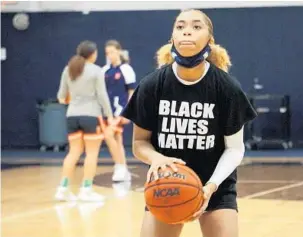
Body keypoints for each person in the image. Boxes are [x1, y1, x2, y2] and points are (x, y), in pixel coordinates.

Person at [121, 9, 257, 237]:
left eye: (196, 27)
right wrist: (156, 158)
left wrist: (211, 186)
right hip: (167, 185)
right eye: (180, 26)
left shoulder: (226, 88)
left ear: (209, 40)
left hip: (216, 185)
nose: (187, 32)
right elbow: (139, 143)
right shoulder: (152, 85)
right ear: (172, 37)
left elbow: (235, 149)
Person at [55, 40, 114, 202]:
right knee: (92, 153)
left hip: (72, 115)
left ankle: (62, 188)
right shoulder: (96, 70)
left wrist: (74, 99)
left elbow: (61, 97)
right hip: (91, 115)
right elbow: (102, 95)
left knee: (73, 152)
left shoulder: (68, 69)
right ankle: (86, 189)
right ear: (93, 54)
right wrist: (109, 115)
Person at [102, 40, 136, 181]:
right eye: (107, 53)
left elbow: (132, 91)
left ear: (119, 51)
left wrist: (129, 111)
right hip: (108, 112)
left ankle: (120, 166)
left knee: (108, 135)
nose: (110, 55)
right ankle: (123, 169)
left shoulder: (126, 69)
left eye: (112, 52)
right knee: (117, 139)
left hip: (120, 110)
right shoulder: (104, 70)